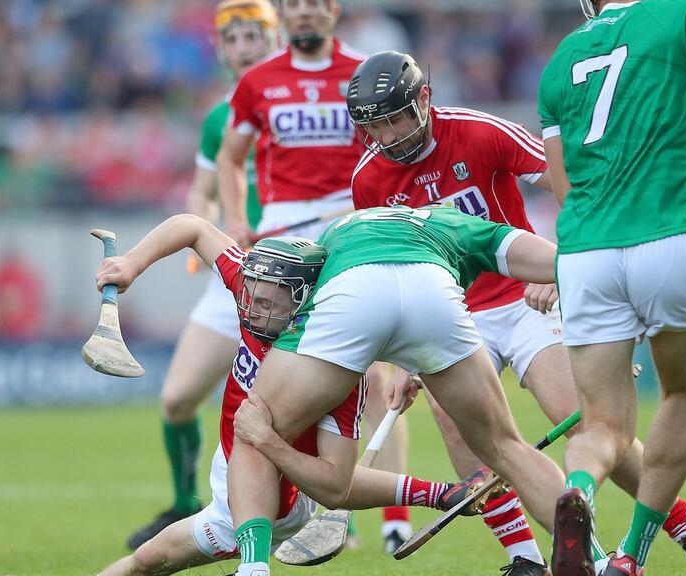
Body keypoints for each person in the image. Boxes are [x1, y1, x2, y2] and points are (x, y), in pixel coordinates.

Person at [348, 50, 686, 576]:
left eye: (395, 118)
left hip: (523, 296)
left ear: (423, 99)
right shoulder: (369, 181)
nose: (388, 136)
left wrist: (650, 202)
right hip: (451, 315)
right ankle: (535, 558)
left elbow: (568, 178)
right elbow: (387, 274)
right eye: (375, 126)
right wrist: (399, 361)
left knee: (584, 420)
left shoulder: (478, 132)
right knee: (458, 424)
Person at [537, 1, 686, 574]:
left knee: (602, 426)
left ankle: (578, 489)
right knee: (681, 395)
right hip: (669, 238)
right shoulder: (682, 13)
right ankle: (631, 556)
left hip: (585, 252)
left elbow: (560, 183)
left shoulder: (560, 59)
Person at [95, 217, 481, 576]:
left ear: (300, 301)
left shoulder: (334, 366)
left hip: (269, 499)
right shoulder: (261, 283)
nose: (249, 307)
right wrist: (133, 263)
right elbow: (192, 226)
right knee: (144, 561)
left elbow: (334, 485)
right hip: (237, 473)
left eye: (264, 303)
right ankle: (441, 493)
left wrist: (267, 440)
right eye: (248, 293)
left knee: (142, 562)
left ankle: (252, 566)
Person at [218, 205, 572, 576]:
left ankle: (253, 569)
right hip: (432, 293)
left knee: (256, 428)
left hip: (352, 293)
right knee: (506, 447)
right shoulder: (457, 223)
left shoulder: (334, 234)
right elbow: (568, 262)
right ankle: (593, 558)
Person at [215, 0, 411, 548]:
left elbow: (392, 151)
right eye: (293, 5)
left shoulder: (363, 72)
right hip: (279, 244)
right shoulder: (257, 81)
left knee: (374, 378)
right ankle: (300, 502)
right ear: (283, 12)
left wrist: (371, 208)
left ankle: (394, 520)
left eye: (314, 4)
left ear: (333, 9)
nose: (303, 13)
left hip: (348, 234)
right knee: (282, 379)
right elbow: (232, 158)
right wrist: (236, 220)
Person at [124, 0, 280, 550]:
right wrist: (201, 233)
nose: (243, 46)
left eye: (252, 35)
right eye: (232, 37)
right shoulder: (219, 118)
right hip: (234, 273)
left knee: (312, 398)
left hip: (292, 276)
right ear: (220, 48)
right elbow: (201, 192)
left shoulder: (293, 102)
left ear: (273, 37)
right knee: (176, 399)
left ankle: (337, 516)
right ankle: (186, 501)